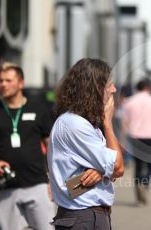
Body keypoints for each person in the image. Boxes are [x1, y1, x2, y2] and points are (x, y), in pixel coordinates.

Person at [47, 58, 124, 229]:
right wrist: (108, 123)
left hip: (88, 215)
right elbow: (118, 167)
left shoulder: (86, 123)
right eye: (109, 84)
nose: (114, 89)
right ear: (94, 88)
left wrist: (102, 170)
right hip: (82, 215)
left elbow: (112, 168)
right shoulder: (74, 123)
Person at [0, 62, 55, 230]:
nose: (3, 85)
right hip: (4, 188)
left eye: (8, 80)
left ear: (21, 83)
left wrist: (53, 181)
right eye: (1, 81)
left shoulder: (38, 109)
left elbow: (51, 147)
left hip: (37, 184)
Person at [122, 78, 151, 206]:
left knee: (138, 166)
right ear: (148, 88)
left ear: (137, 88)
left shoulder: (129, 102)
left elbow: (125, 123)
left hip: (136, 138)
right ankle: (145, 184)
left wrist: (124, 139)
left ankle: (139, 191)